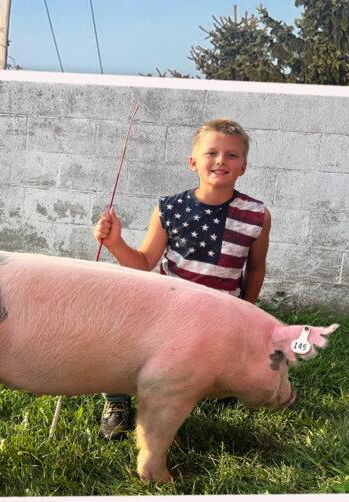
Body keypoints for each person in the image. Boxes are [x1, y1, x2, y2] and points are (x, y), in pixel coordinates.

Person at [93, 118, 271, 439]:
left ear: (243, 167)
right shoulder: (169, 208)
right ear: (193, 162)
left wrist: (247, 311)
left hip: (218, 319)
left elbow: (256, 267)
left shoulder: (257, 215)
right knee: (118, 339)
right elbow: (144, 262)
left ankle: (214, 384)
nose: (220, 161)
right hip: (166, 312)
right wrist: (115, 243)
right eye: (211, 153)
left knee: (210, 371)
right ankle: (117, 402)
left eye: (232, 155)